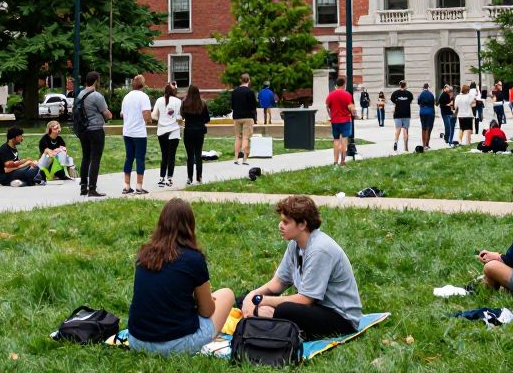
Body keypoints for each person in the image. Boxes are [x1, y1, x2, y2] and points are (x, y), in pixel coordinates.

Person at [240, 195, 362, 339]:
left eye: (286, 222)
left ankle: (268, 318)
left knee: (285, 310)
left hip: (341, 318)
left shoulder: (320, 249)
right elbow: (278, 283)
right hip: (316, 308)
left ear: (302, 224)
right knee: (241, 299)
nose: (280, 226)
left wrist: (261, 301)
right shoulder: (295, 244)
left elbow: (305, 300)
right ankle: (265, 316)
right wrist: (252, 296)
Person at [126, 199, 235, 356]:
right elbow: (206, 312)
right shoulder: (194, 259)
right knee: (226, 294)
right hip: (175, 345)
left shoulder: (144, 255)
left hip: (137, 340)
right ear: (190, 226)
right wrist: (206, 300)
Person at [77, 71, 114, 198]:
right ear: (96, 81)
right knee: (95, 158)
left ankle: (83, 186)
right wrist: (109, 115)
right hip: (96, 129)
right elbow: (107, 113)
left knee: (85, 157)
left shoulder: (80, 94)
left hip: (83, 130)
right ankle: (92, 188)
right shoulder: (97, 96)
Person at [122, 74, 153, 195]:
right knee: (140, 158)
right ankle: (139, 187)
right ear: (143, 85)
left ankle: (126, 186)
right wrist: (150, 119)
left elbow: (123, 114)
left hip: (127, 131)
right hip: (139, 133)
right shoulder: (144, 97)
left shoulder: (126, 97)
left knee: (129, 158)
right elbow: (146, 114)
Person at [153, 83, 182, 187]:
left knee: (164, 155)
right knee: (172, 155)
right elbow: (180, 117)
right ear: (174, 91)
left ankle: (161, 177)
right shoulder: (178, 101)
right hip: (174, 130)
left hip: (161, 130)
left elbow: (154, 116)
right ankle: (169, 178)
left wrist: (162, 119)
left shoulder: (159, 100)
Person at [181, 85, 211, 185]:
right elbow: (207, 119)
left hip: (188, 131)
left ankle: (189, 178)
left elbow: (182, 116)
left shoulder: (185, 102)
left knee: (190, 156)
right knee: (198, 154)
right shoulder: (202, 103)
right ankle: (199, 177)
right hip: (199, 131)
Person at [325, 76, 356, 167]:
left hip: (335, 121)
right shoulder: (347, 94)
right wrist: (354, 113)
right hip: (345, 120)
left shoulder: (331, 94)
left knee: (336, 140)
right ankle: (342, 162)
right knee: (344, 141)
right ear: (343, 84)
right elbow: (351, 108)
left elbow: (327, 106)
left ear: (336, 85)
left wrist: (331, 115)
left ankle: (335, 162)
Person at [231, 73, 257, 165]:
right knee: (246, 137)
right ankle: (244, 158)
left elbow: (232, 105)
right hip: (248, 117)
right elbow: (254, 106)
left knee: (238, 137)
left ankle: (236, 158)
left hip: (237, 116)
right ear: (249, 80)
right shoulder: (250, 92)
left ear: (240, 81)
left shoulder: (234, 92)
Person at [390, 81, 413, 152]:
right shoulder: (409, 94)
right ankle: (406, 147)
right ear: (405, 85)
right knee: (405, 129)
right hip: (406, 114)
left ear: (399, 85)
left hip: (397, 114)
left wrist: (398, 103)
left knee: (398, 129)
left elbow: (393, 101)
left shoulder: (395, 93)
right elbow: (410, 101)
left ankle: (395, 142)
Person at [417, 83, 436, 149]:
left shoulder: (421, 94)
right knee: (428, 128)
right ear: (428, 87)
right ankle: (427, 144)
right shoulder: (431, 94)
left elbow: (418, 102)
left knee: (423, 128)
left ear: (423, 87)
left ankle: (423, 144)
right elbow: (433, 103)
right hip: (430, 112)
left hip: (422, 111)